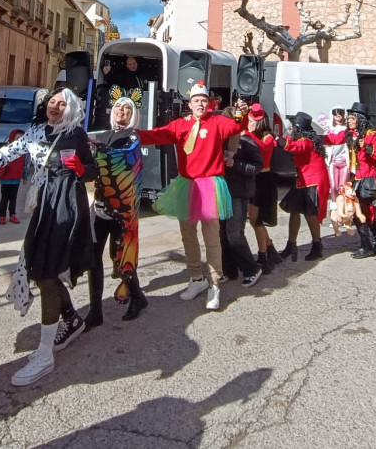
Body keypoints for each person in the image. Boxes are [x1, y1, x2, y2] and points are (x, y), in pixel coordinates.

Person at [0, 87, 96, 388]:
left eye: (62, 104)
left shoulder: (76, 136)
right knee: (40, 269)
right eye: (52, 102)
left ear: (71, 109)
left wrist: (81, 167)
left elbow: (92, 172)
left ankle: (45, 352)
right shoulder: (35, 133)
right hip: (45, 205)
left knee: (46, 274)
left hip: (67, 206)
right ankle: (71, 319)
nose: (55, 107)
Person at [138, 82, 240, 311]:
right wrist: (129, 134)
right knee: (187, 235)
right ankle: (196, 278)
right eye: (197, 100)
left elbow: (238, 126)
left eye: (204, 100)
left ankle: (215, 284)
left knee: (212, 237)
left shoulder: (217, 122)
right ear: (190, 104)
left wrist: (243, 110)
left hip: (210, 184)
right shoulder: (180, 125)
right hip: (187, 185)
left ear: (209, 103)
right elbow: (156, 135)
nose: (201, 104)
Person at [87, 97, 148, 328]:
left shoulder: (132, 137)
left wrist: (99, 148)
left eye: (127, 108)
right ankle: (95, 310)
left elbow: (124, 158)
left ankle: (137, 296)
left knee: (120, 257)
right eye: (118, 107)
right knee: (92, 258)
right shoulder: (103, 134)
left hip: (122, 211)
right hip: (101, 207)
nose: (121, 111)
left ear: (132, 114)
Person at [324, 103, 376, 259]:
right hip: (355, 178)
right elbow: (333, 139)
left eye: (352, 118)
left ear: (360, 119)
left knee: (366, 212)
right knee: (356, 211)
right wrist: (315, 138)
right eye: (349, 118)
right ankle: (375, 242)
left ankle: (372, 243)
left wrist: (368, 148)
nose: (349, 121)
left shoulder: (370, 134)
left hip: (368, 177)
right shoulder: (349, 133)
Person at [278, 113, 331, 262]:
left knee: (310, 213)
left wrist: (276, 139)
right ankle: (291, 245)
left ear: (299, 128)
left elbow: (294, 146)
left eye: (293, 126)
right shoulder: (308, 139)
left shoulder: (306, 141)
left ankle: (317, 245)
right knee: (294, 211)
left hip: (312, 181)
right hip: (303, 179)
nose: (290, 128)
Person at [218, 129, 263, 286]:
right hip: (222, 191)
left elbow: (257, 166)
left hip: (239, 193)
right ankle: (229, 270)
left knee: (234, 233)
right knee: (222, 234)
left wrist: (236, 164)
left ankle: (251, 268)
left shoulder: (246, 142)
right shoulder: (217, 140)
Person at [245, 105, 283, 273]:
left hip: (264, 179)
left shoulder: (268, 137)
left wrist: (246, 134)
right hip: (252, 179)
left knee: (257, 221)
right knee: (253, 220)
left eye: (251, 121)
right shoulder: (250, 135)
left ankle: (263, 257)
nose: (248, 123)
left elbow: (261, 148)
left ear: (259, 122)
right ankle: (270, 250)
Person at [323, 108, 351, 237]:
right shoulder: (329, 127)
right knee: (333, 188)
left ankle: (345, 216)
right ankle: (335, 216)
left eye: (339, 114)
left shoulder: (347, 128)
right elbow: (327, 143)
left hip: (345, 161)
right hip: (333, 162)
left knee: (343, 188)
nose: (337, 116)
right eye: (335, 114)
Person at [0, 135, 25, 226]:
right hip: (6, 180)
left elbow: (24, 165)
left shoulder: (22, 152)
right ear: (12, 138)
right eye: (17, 137)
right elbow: (0, 162)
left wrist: (25, 176)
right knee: (4, 198)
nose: (19, 140)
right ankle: (2, 216)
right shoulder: (6, 151)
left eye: (21, 138)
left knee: (13, 198)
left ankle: (12, 215)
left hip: (16, 180)